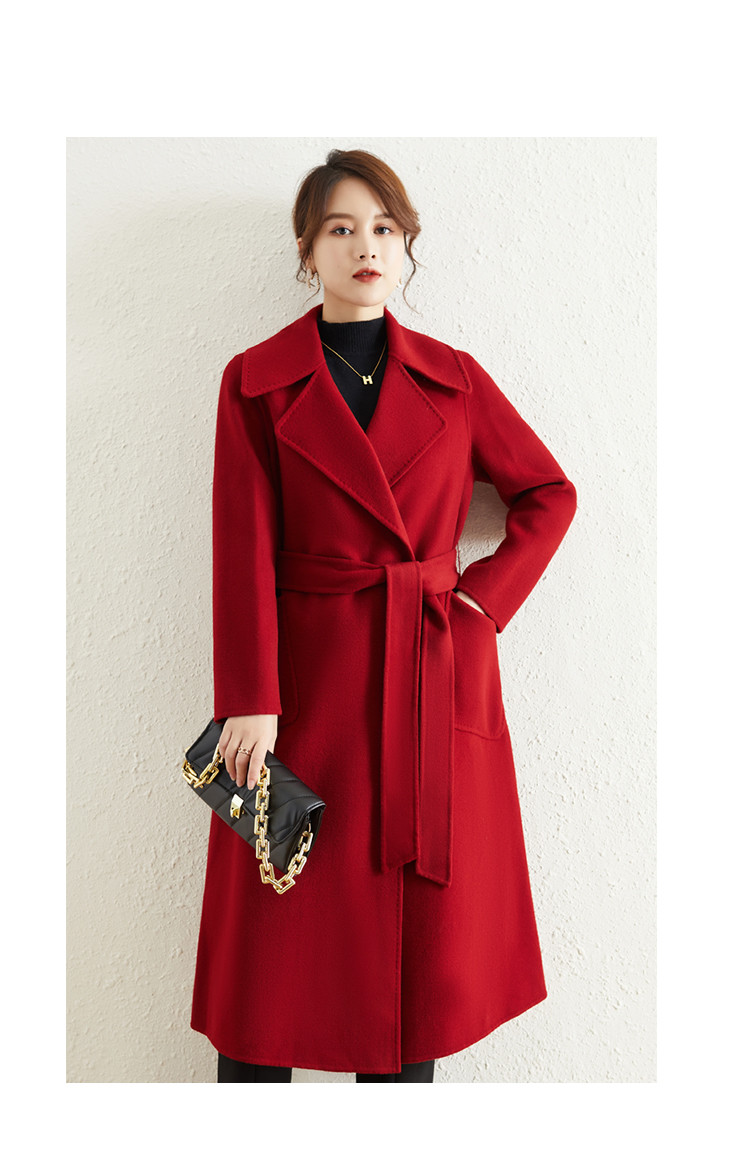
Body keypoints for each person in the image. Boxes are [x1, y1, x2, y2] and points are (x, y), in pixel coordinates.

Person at [190, 149, 578, 1083]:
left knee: (412, 974)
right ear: (306, 250)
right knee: (269, 962)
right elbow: (241, 549)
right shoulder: (255, 381)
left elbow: (548, 494)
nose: (366, 246)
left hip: (427, 679)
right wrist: (250, 697)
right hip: (302, 694)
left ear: (406, 246)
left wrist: (480, 604)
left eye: (384, 228)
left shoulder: (456, 379)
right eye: (341, 228)